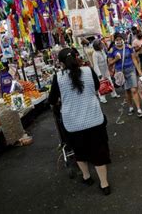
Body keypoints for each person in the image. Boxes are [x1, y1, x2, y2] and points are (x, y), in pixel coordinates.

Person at [48, 48, 112, 195]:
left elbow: (52, 99)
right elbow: (96, 87)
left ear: (61, 63)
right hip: (94, 119)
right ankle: (104, 184)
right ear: (77, 57)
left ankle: (86, 176)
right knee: (98, 151)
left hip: (73, 123)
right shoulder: (88, 71)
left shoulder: (58, 77)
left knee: (79, 151)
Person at [108, 33, 142, 118]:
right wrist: (116, 59)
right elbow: (109, 63)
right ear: (114, 41)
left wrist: (139, 71)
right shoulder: (112, 50)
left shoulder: (128, 47)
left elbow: (134, 59)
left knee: (134, 90)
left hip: (131, 70)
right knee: (127, 91)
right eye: (117, 39)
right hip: (120, 73)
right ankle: (131, 107)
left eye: (120, 39)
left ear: (123, 39)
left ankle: (139, 109)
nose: (119, 41)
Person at [92, 39, 120, 104]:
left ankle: (114, 94)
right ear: (97, 46)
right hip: (99, 71)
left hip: (105, 69)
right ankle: (102, 98)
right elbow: (95, 65)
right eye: (101, 44)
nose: (102, 45)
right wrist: (99, 74)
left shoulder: (102, 51)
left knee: (110, 82)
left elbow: (106, 60)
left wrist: (109, 68)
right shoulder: (95, 54)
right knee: (102, 85)